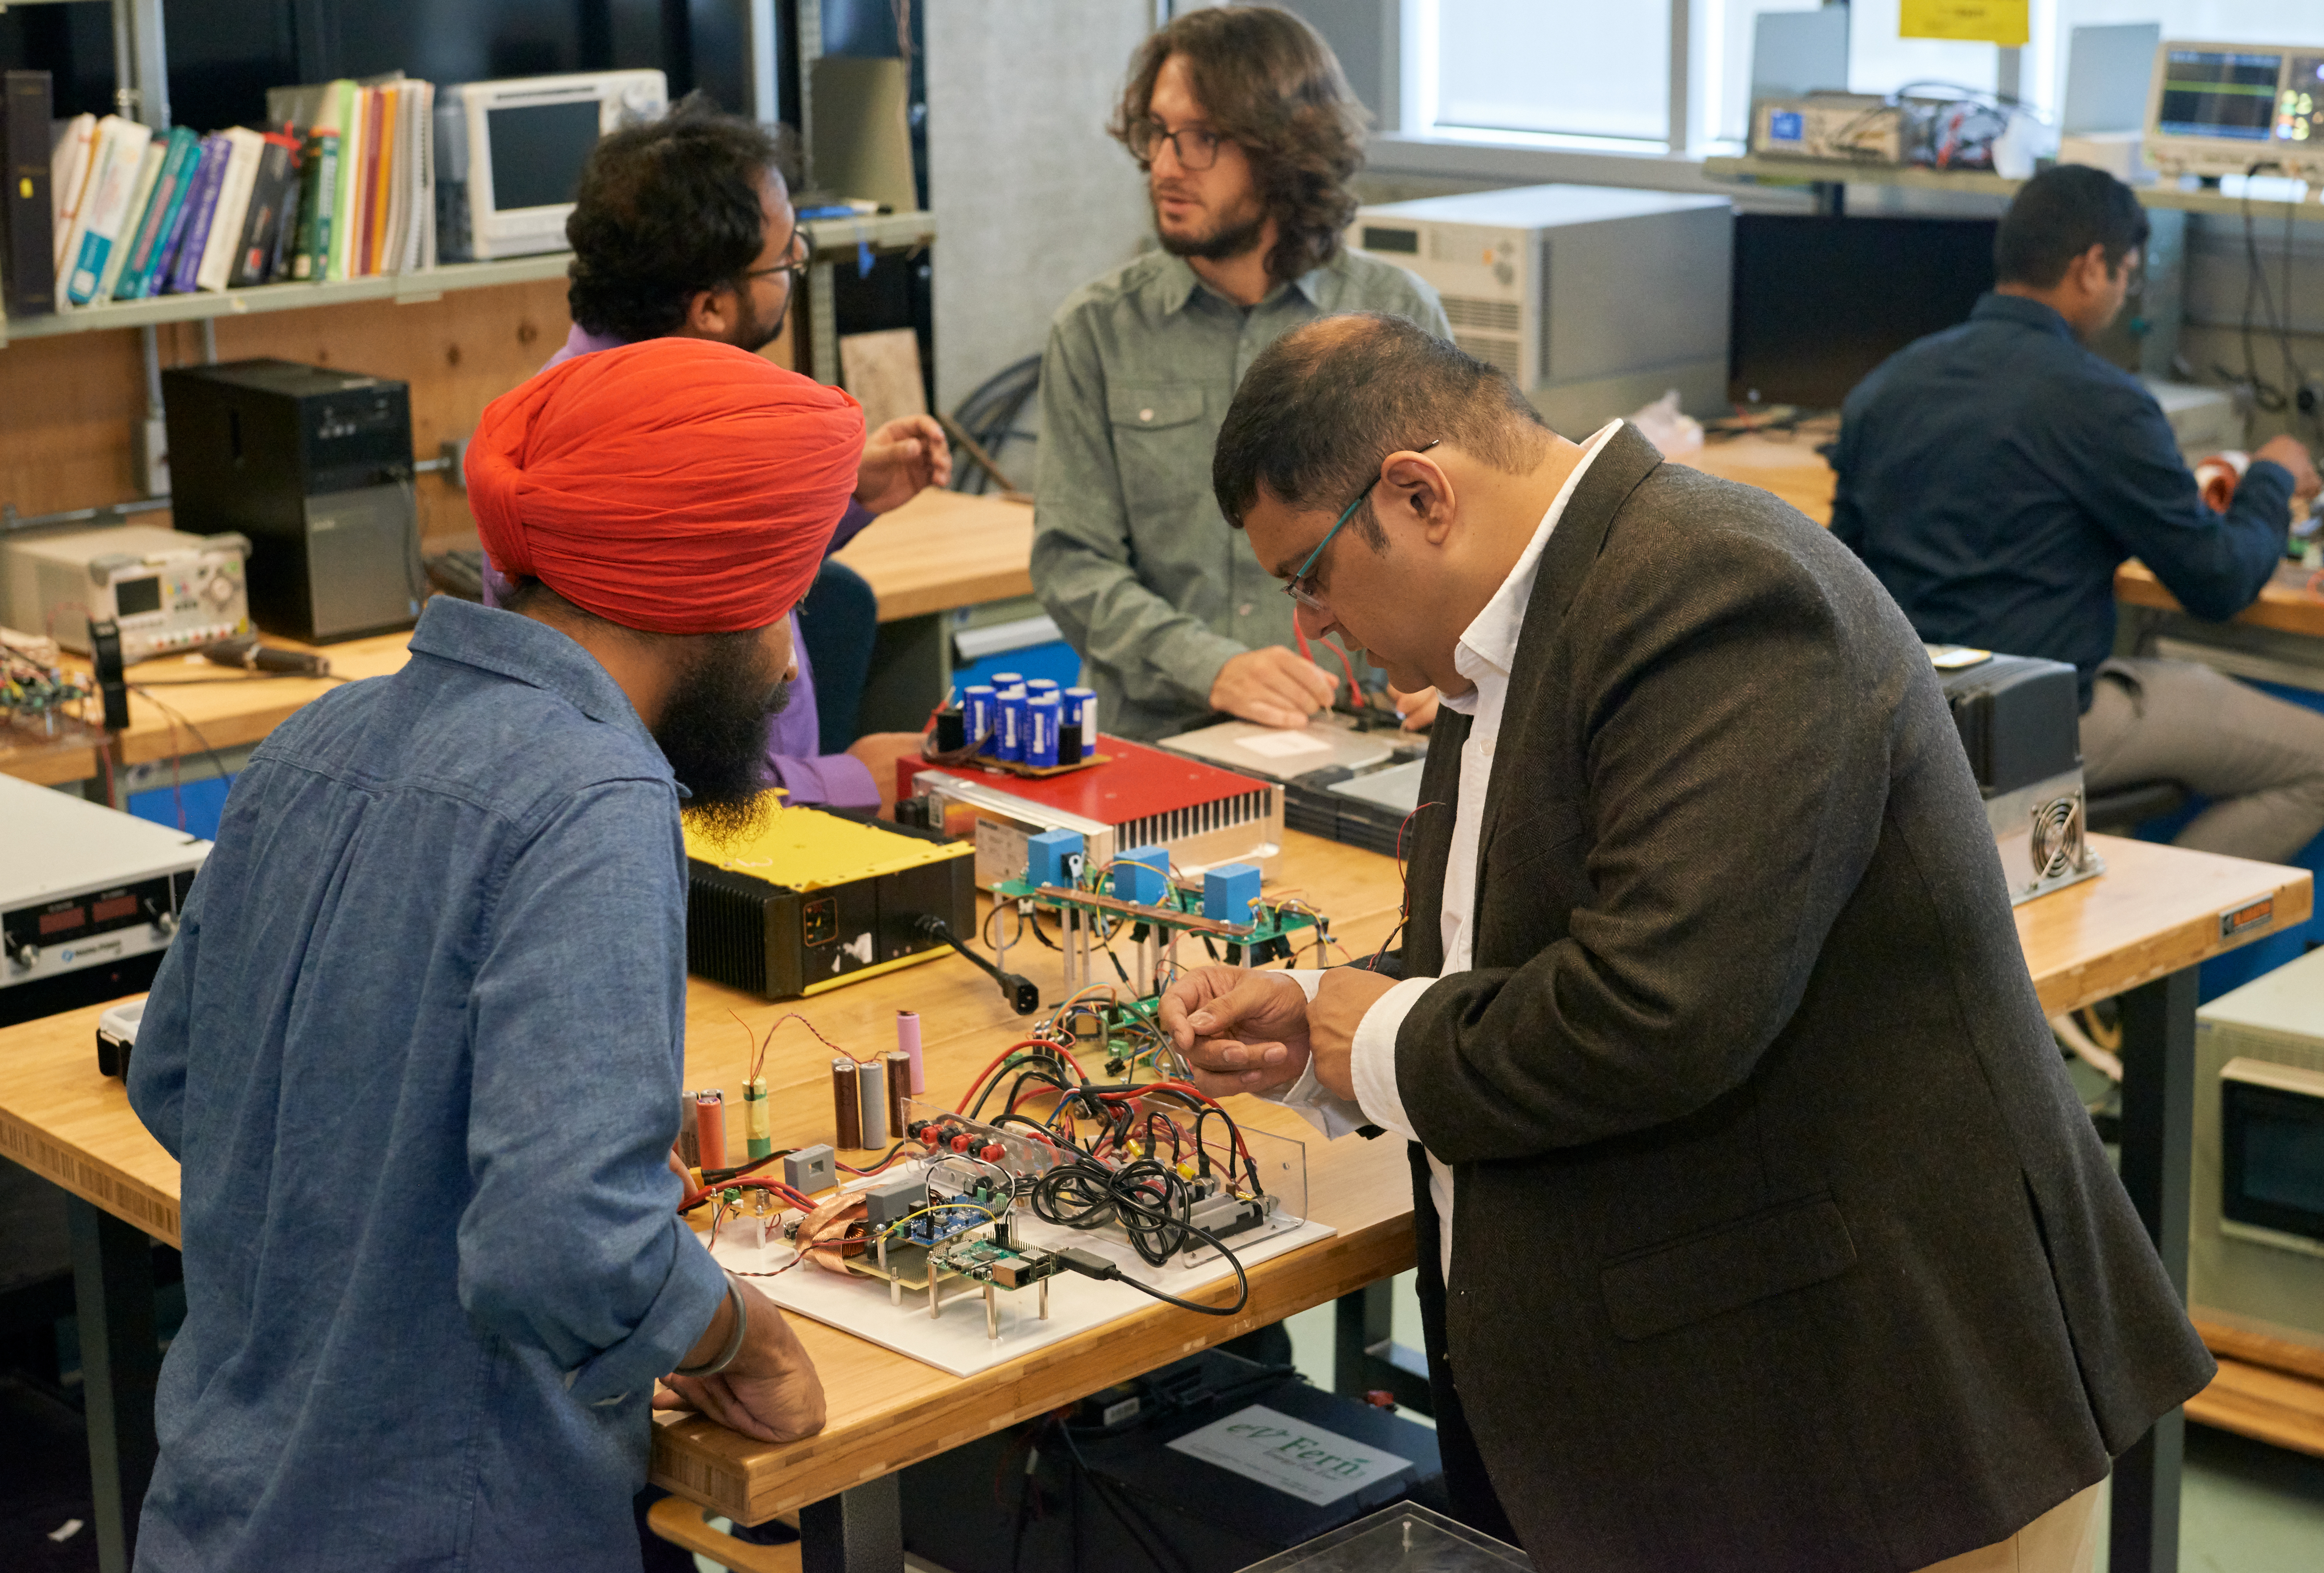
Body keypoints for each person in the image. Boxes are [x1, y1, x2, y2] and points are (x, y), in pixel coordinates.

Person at [1162, 313, 2214, 1572]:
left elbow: (1655, 1010)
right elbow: (1504, 952)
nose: (1308, 632)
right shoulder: (1506, 640)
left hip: (1867, 1428)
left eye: (1309, 576)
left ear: (1417, 492)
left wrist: (1373, 1037)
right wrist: (1316, 1011)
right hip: (1701, 1415)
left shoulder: (1717, 590)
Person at [126, 338, 844, 1570]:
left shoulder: (322, 731)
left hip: (218, 1512)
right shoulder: (594, 790)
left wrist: (387, 1207)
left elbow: (179, 1077)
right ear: (707, 591)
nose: (785, 658)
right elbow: (563, 1241)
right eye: (782, 598)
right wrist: (742, 1338)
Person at [1832, 163, 2324, 864]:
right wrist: (2272, 478)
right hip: (2039, 722)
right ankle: (2158, 942)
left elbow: (1844, 571)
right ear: (2091, 267)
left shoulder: (1884, 385)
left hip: (1908, 725)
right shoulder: (2101, 402)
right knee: (2316, 761)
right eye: (2126, 274)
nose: (2124, 295)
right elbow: (2217, 583)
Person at [486, 94, 952, 816]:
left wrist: (846, 496)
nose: (796, 267)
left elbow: (708, 580)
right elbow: (656, 769)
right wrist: (852, 780)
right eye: (783, 259)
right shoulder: (608, 459)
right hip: (718, 839)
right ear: (710, 308)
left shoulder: (596, 405)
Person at [1032, 4, 1453, 741]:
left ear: (1282, 148)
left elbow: (1459, 531)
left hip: (1371, 735)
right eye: (1156, 134)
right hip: (1167, 736)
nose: (1164, 165)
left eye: (1200, 139)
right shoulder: (1097, 330)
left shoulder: (1393, 315)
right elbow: (1073, 563)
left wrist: (1452, 667)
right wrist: (1210, 666)